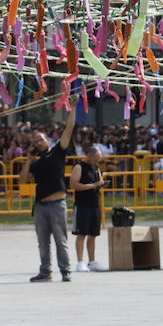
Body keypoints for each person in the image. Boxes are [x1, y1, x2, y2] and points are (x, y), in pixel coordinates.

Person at [24, 97, 78, 282]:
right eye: (35, 142)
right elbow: (23, 179)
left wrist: (73, 108)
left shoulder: (58, 152)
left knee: (60, 241)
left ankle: (66, 271)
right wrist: (29, 159)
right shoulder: (36, 162)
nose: (39, 143)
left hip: (57, 204)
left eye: (40, 140)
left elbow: (68, 130)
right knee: (43, 243)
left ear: (47, 139)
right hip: (41, 206)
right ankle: (45, 272)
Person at [70, 144, 108, 272]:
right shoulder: (79, 166)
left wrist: (101, 184)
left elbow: (98, 183)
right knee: (81, 234)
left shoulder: (96, 167)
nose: (98, 162)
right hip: (82, 205)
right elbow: (73, 184)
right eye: (96, 159)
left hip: (95, 204)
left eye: (99, 159)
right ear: (90, 156)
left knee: (93, 234)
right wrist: (92, 185)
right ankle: (80, 262)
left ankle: (92, 262)